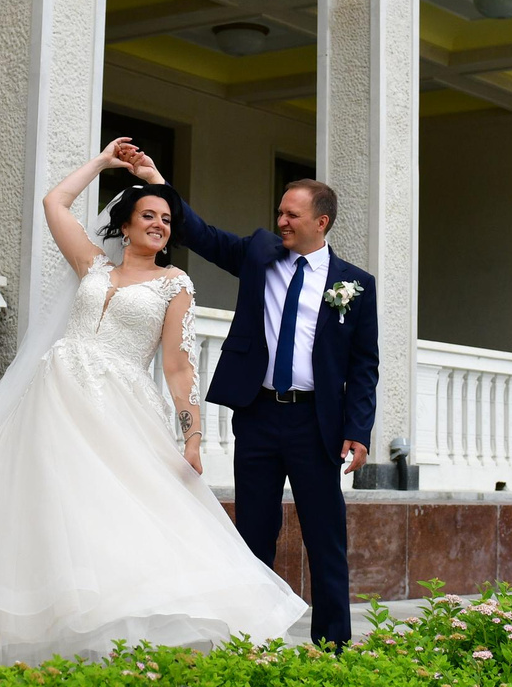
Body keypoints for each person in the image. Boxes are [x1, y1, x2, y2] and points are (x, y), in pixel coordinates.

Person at [0, 139, 306, 670]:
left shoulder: (176, 284)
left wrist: (191, 436)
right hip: (50, 401)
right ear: (124, 225)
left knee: (108, 515)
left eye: (167, 219)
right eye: (149, 215)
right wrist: (103, 163)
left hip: (117, 409)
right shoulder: (93, 267)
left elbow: (178, 366)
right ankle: (28, 646)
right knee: (31, 511)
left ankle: (109, 643)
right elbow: (54, 202)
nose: (159, 225)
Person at [120, 145, 378, 649]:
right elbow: (202, 234)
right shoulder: (261, 253)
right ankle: (251, 643)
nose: (280, 220)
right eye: (279, 212)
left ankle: (333, 650)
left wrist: (358, 430)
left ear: (321, 222)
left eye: (291, 214)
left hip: (316, 424)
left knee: (325, 540)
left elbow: (363, 365)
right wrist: (156, 180)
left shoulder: (356, 285)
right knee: (253, 535)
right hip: (259, 415)